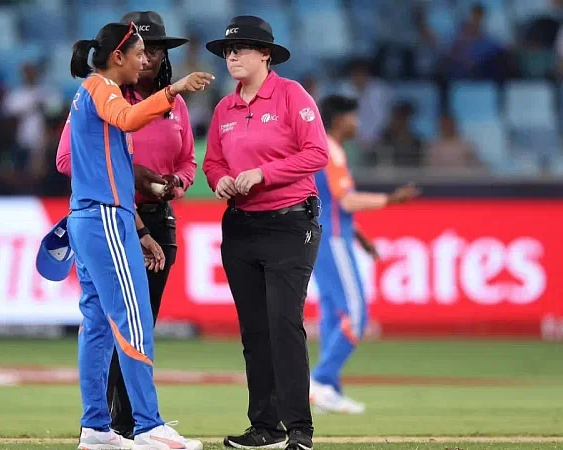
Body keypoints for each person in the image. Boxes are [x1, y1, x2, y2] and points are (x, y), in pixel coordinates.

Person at [60, 20, 212, 450]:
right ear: (117, 57)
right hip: (104, 218)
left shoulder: (91, 90)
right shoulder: (103, 89)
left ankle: (95, 429)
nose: (146, 61)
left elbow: (114, 171)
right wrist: (174, 89)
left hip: (98, 218)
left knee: (97, 327)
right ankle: (148, 426)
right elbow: (126, 119)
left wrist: (142, 231)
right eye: (140, 53)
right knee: (134, 318)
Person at [201, 16, 328, 450]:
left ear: (266, 55)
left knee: (283, 324)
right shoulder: (224, 108)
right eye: (228, 51)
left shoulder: (292, 95)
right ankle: (265, 427)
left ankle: (299, 430)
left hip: (290, 224)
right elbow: (212, 162)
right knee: (255, 332)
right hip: (241, 226)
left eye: (242, 49)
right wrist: (218, 180)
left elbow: (317, 152)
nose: (232, 56)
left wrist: (263, 173)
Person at [310, 95, 420, 414]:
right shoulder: (329, 150)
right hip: (332, 241)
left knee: (333, 314)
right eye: (353, 117)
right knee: (356, 314)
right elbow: (345, 202)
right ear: (340, 120)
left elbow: (331, 204)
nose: (357, 123)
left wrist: (360, 237)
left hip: (328, 237)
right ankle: (320, 380)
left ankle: (328, 389)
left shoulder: (327, 150)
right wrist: (390, 200)